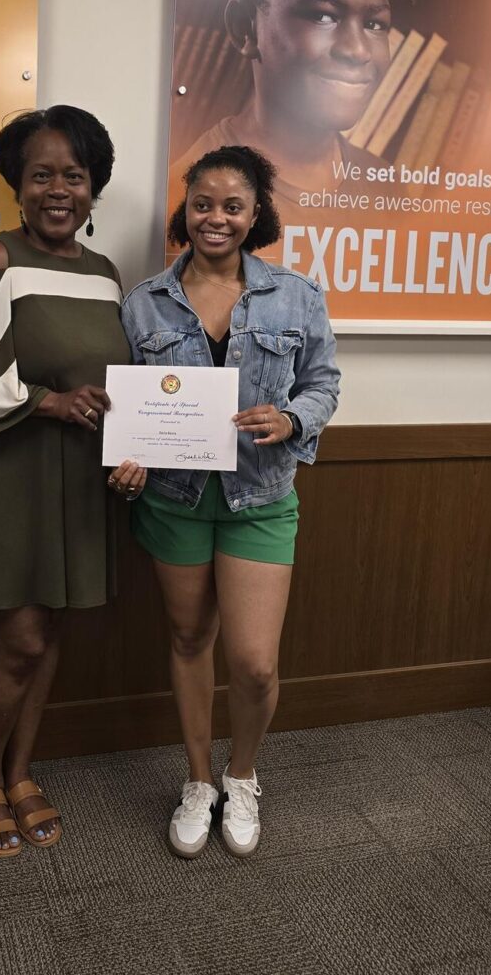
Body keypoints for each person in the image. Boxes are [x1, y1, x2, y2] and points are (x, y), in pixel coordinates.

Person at [0, 105, 146, 859]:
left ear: (94, 188)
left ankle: (21, 774)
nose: (58, 190)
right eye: (41, 174)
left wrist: (134, 444)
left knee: (52, 633)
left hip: (81, 480)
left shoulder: (108, 275)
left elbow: (118, 381)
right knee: (17, 638)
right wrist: (45, 400)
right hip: (11, 470)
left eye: (73, 176)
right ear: (17, 184)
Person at [121, 145, 340, 857]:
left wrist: (292, 419)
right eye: (202, 203)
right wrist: (124, 451)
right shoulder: (144, 301)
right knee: (188, 640)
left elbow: (323, 383)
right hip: (175, 498)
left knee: (253, 663)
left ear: (255, 215)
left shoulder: (297, 295)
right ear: (186, 211)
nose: (215, 216)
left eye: (232, 205)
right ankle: (196, 781)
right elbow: (130, 405)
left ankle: (241, 775)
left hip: (262, 497)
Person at [169, 0, 438, 226]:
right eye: (323, 16)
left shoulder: (388, 190)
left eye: (374, 24)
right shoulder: (188, 197)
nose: (357, 50)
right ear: (245, 28)